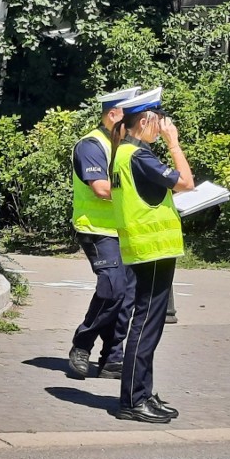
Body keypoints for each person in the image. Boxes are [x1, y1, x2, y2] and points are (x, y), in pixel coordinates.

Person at [109, 87, 194, 423]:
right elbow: (185, 182)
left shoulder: (125, 153)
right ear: (145, 120)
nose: (162, 127)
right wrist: (174, 143)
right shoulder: (138, 155)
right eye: (159, 122)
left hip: (145, 249)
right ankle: (132, 399)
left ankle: (142, 392)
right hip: (152, 251)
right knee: (145, 325)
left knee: (149, 324)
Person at [67, 86, 140, 380]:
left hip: (126, 230)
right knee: (113, 289)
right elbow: (100, 189)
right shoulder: (91, 145)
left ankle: (112, 359)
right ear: (113, 115)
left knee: (127, 297)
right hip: (97, 230)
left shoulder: (127, 147)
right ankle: (82, 344)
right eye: (129, 118)